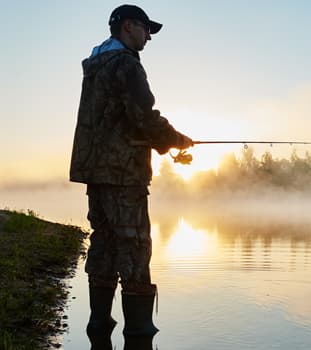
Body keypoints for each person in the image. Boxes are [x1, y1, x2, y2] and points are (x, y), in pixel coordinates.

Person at [70, 4, 193, 337]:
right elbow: (143, 117)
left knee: (104, 243)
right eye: (146, 29)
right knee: (135, 245)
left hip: (96, 171)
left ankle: (99, 325)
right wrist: (178, 139)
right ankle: (139, 333)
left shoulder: (95, 66)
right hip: (124, 173)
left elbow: (116, 120)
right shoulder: (126, 63)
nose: (149, 37)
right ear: (128, 26)